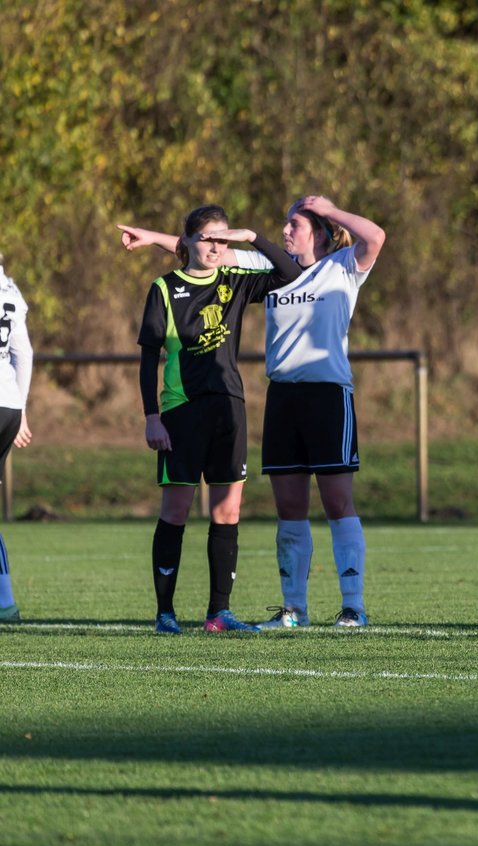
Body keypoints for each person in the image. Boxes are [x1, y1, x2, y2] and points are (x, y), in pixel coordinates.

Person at [119, 195, 385, 629]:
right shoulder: (263, 265)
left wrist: (329, 208)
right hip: (282, 397)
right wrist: (151, 239)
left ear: (318, 232)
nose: (284, 230)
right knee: (289, 506)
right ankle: (294, 608)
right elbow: (205, 250)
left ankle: (352, 605)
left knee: (337, 501)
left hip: (327, 396)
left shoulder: (343, 267)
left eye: (293, 224)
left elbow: (376, 236)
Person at [130, 205, 301, 633]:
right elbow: (149, 357)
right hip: (181, 411)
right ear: (186, 241)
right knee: (176, 511)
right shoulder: (165, 288)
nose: (215, 246)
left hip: (229, 409)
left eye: (222, 238)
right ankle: (165, 614)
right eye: (207, 237)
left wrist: (250, 236)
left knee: (227, 512)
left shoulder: (235, 281)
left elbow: (290, 274)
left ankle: (218, 614)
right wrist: (152, 417)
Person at [0, 253, 33, 623]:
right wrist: (21, 409)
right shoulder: (10, 290)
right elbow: (23, 353)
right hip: (7, 405)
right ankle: (5, 602)